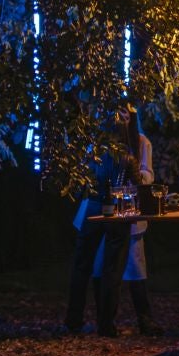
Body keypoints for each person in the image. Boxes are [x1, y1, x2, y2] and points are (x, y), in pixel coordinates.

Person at [64, 106, 142, 336]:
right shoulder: (128, 155)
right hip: (118, 209)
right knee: (113, 268)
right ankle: (106, 324)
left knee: (82, 265)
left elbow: (82, 182)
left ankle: (73, 319)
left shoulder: (92, 152)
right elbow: (137, 186)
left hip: (93, 205)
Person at [91, 103, 161, 334]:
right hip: (106, 210)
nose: (121, 120)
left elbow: (147, 175)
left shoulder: (141, 143)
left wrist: (136, 178)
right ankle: (105, 321)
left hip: (130, 210)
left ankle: (144, 319)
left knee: (135, 265)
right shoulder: (101, 145)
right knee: (104, 266)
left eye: (125, 116)